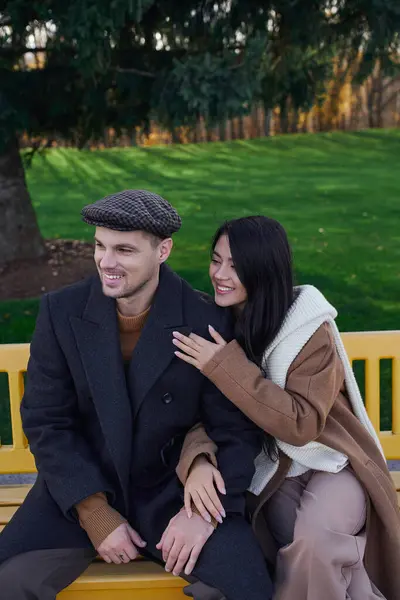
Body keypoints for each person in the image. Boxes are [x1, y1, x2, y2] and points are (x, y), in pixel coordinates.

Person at [0, 191, 274, 600]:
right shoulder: (61, 312)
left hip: (173, 494)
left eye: (124, 250)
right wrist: (94, 514)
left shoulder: (206, 319)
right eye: (100, 246)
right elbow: (46, 421)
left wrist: (204, 512)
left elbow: (234, 429)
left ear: (163, 250)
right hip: (81, 490)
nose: (106, 262)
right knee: (7, 578)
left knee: (248, 585)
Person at [170, 215, 400, 600]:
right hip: (274, 470)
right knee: (314, 550)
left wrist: (225, 367)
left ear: (264, 270)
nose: (220, 274)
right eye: (216, 260)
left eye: (237, 266)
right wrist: (198, 459)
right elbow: (198, 414)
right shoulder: (215, 323)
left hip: (334, 462)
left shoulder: (308, 329)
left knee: (316, 541)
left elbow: (302, 424)